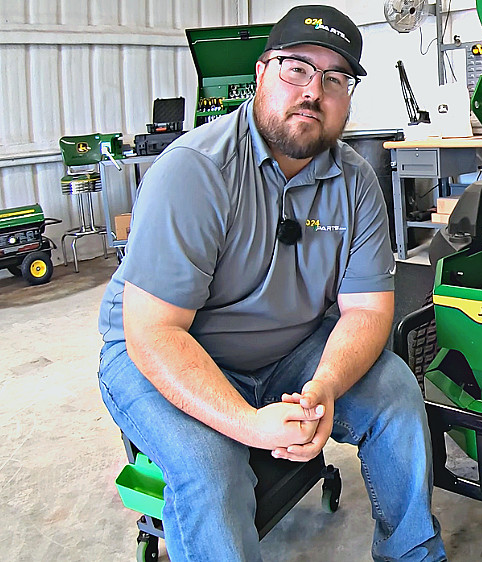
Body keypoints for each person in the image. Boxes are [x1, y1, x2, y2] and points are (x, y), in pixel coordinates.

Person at [96, 5, 446, 561]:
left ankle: (411, 554)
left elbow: (367, 311)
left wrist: (325, 384)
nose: (313, 92)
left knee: (396, 395)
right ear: (261, 73)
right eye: (296, 69)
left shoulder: (355, 181)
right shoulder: (197, 170)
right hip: (166, 350)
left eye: (335, 79)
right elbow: (153, 331)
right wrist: (249, 425)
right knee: (211, 469)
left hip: (288, 349)